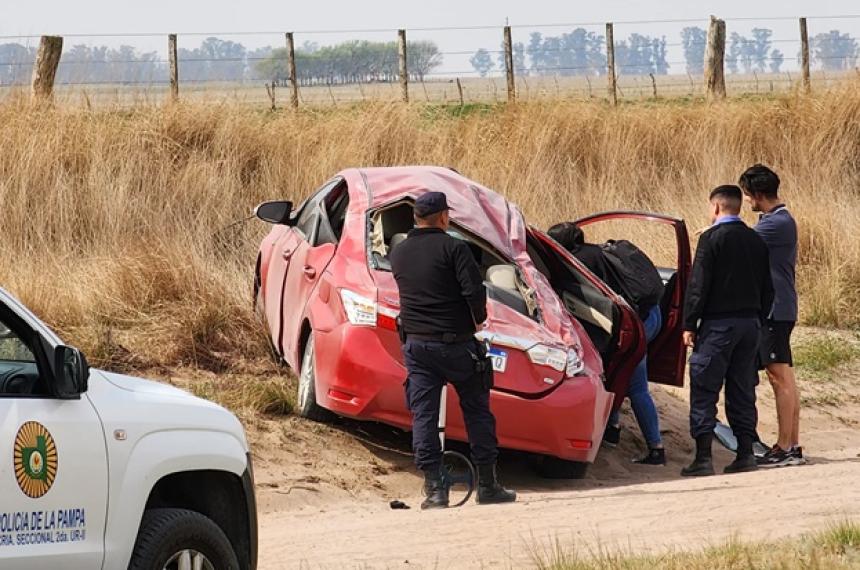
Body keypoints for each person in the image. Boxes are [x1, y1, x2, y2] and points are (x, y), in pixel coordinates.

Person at [390, 190, 516, 509]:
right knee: (477, 411)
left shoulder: (400, 252)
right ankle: (488, 485)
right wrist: (478, 321)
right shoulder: (454, 248)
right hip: (457, 345)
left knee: (424, 416)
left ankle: (435, 489)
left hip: (416, 345)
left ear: (416, 218)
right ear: (444, 217)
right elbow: (474, 291)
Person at [547, 222, 666, 466]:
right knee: (617, 373)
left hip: (635, 325)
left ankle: (656, 449)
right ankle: (612, 429)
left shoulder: (578, 261)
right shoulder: (596, 251)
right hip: (650, 315)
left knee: (635, 386)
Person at [682, 185, 774, 476]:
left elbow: (699, 285)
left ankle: (703, 458)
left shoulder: (711, 239)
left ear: (717, 208)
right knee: (742, 389)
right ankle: (745, 452)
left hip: (718, 326)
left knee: (704, 388)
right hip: (750, 325)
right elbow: (768, 289)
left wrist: (689, 323)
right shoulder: (756, 241)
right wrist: (757, 317)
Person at [739, 164, 804, 467]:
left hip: (776, 309)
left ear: (759, 194)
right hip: (781, 306)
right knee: (785, 377)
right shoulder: (775, 220)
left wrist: (716, 229)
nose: (748, 201)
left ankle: (785, 447)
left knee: (779, 378)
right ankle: (792, 444)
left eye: (749, 195)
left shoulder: (776, 223)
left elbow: (740, 242)